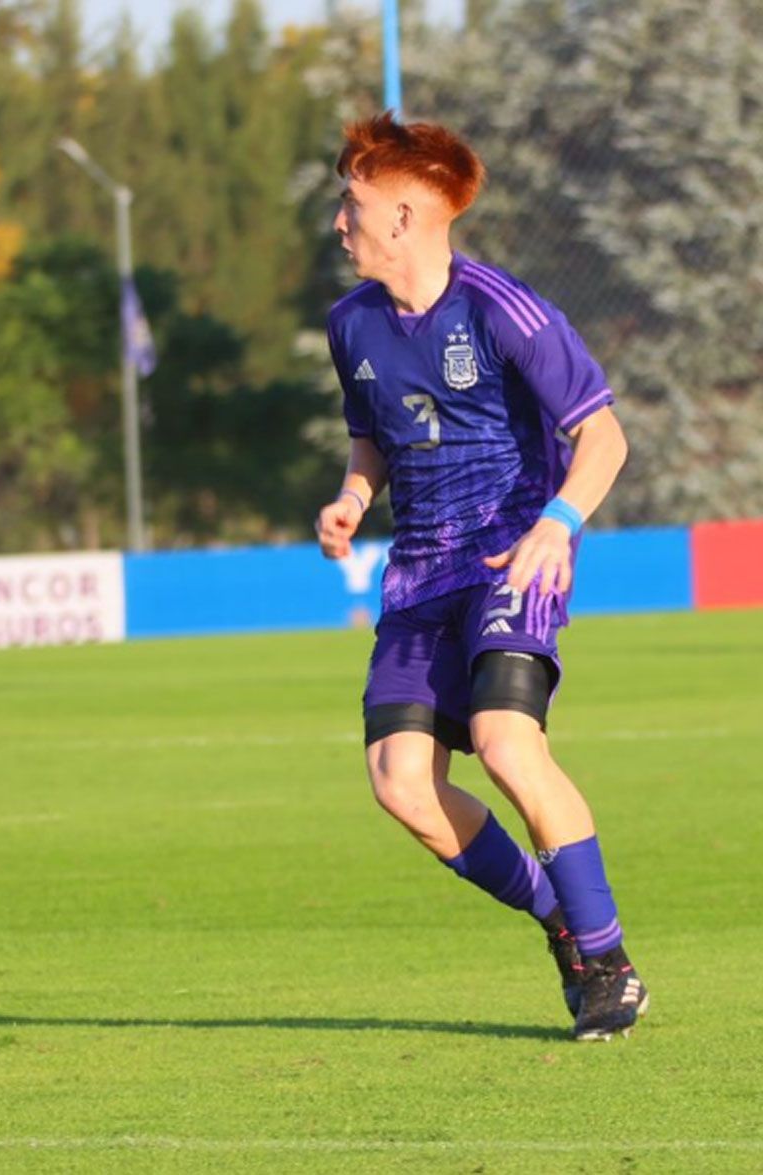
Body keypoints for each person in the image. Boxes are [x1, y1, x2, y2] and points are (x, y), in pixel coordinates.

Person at [316, 112, 648, 1041]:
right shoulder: (351, 323)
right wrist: (351, 493)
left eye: (354, 204)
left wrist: (557, 523)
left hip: (512, 554)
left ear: (408, 215)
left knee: (507, 743)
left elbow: (604, 437)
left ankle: (610, 963)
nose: (340, 222)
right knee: (400, 783)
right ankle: (563, 921)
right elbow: (374, 430)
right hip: (420, 575)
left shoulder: (506, 308)